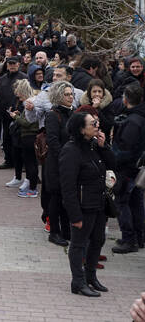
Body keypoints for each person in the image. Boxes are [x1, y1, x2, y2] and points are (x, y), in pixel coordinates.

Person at [59, 112, 114, 297]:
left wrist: (103, 146)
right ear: (82, 129)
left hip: (98, 204)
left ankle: (91, 277)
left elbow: (112, 164)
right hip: (83, 207)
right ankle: (78, 281)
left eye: (97, 122)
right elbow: (67, 186)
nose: (97, 125)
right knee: (78, 244)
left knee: (98, 240)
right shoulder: (71, 150)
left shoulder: (93, 146)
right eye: (93, 123)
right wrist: (74, 215)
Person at [111, 84, 145, 253]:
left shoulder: (133, 121)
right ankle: (139, 237)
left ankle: (129, 239)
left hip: (128, 170)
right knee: (136, 203)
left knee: (122, 203)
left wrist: (112, 158)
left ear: (125, 99)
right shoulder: (137, 117)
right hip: (136, 169)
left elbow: (126, 149)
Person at [44, 81, 75, 247]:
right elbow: (53, 141)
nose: (70, 97)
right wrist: (66, 157)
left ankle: (66, 230)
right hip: (57, 163)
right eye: (67, 94)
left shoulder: (73, 113)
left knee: (66, 197)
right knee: (56, 197)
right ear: (58, 96)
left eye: (71, 94)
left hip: (70, 163)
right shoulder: (52, 115)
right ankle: (54, 231)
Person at [7, 80, 40, 198]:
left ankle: (32, 189)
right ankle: (32, 187)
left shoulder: (29, 102)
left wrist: (16, 117)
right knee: (32, 163)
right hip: (31, 136)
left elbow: (28, 123)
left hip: (29, 136)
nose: (19, 98)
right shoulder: (34, 100)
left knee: (30, 163)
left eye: (19, 95)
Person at [0, 56, 26, 169]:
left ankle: (21, 162)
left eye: (14, 63)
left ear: (18, 64)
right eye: (10, 63)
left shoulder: (24, 78)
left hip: (20, 113)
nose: (12, 65)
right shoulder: (1, 79)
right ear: (7, 65)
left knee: (19, 139)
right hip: (5, 113)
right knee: (7, 139)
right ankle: (8, 160)